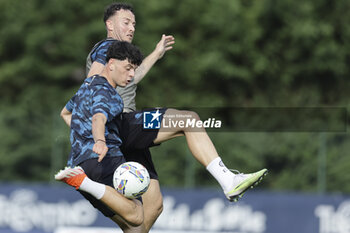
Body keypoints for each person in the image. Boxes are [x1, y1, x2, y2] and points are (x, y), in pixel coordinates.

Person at [61, 3, 268, 232]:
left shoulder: (121, 60)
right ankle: (228, 180)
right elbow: (94, 81)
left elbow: (130, 77)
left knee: (149, 210)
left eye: (134, 24)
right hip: (122, 124)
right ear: (109, 25)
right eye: (126, 22)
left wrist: (156, 54)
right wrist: (96, 133)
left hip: (117, 138)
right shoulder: (109, 47)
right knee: (188, 120)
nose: (131, 28)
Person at [56, 41, 147, 233]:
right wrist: (99, 141)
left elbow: (65, 113)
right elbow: (99, 117)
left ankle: (83, 181)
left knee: (130, 227)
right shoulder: (110, 94)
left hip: (80, 163)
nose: (131, 75)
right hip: (104, 160)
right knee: (137, 217)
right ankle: (84, 182)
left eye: (134, 70)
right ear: (111, 63)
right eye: (128, 68)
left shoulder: (87, 86)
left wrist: (84, 136)